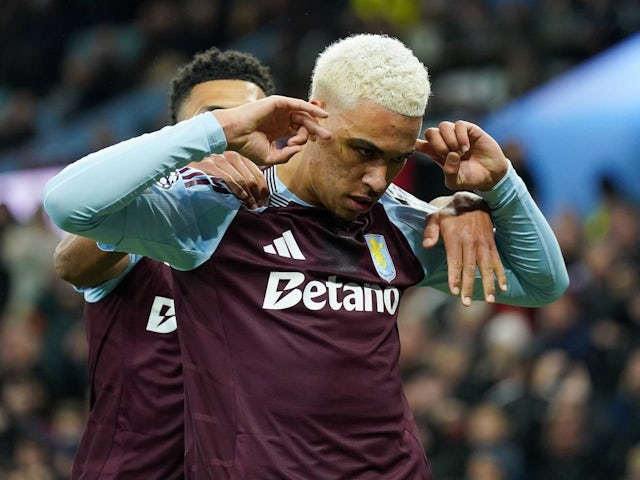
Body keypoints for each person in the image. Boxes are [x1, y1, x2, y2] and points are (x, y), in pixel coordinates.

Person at [44, 34, 569, 479]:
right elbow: (69, 209)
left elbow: (543, 284)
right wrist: (217, 133)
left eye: (396, 159)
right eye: (362, 151)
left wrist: (497, 190)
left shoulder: (401, 221)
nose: (378, 179)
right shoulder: (216, 209)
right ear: (312, 116)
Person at [54, 47, 277, 480]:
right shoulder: (143, 225)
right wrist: (176, 176)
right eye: (216, 119)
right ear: (179, 134)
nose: (235, 131)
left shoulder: (287, 238)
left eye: (251, 118)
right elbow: (69, 263)